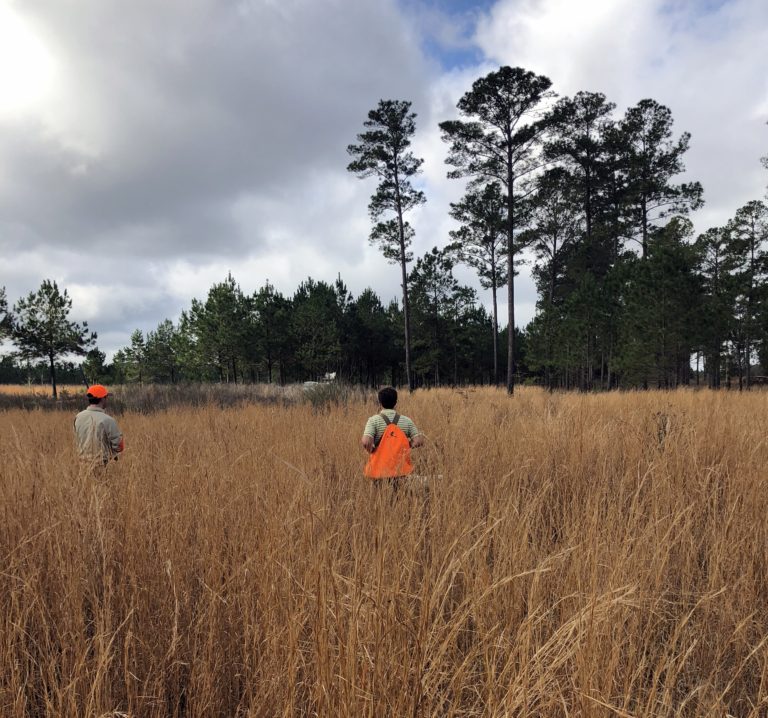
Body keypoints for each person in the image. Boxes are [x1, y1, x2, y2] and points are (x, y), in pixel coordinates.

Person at [361, 386, 423, 487]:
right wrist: (405, 445)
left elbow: (366, 442)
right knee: (401, 497)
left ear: (380, 403)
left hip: (379, 471)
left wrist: (372, 450)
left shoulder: (373, 420)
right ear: (396, 402)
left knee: (381, 499)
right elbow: (419, 440)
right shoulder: (406, 421)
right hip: (401, 470)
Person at [74, 384, 124, 466]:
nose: (107, 400)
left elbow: (77, 440)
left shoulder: (78, 417)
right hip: (101, 464)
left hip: (81, 463)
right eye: (106, 397)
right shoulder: (108, 420)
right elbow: (119, 446)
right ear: (102, 399)